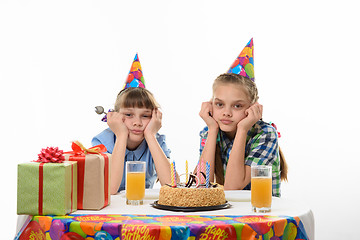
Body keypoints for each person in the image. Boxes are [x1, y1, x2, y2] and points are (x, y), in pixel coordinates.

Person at [198, 39, 287, 197]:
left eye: (237, 106)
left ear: (253, 107)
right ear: (211, 104)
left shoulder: (265, 134)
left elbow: (233, 187)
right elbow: (200, 187)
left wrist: (243, 129)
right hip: (229, 215)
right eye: (219, 104)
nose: (226, 113)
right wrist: (212, 129)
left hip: (261, 215)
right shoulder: (210, 131)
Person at [92, 54, 171, 194]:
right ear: (115, 115)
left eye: (145, 116)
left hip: (142, 208)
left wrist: (151, 135)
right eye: (129, 115)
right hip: (111, 210)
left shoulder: (157, 141)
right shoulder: (102, 141)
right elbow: (110, 189)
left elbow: (171, 186)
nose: (137, 123)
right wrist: (121, 135)